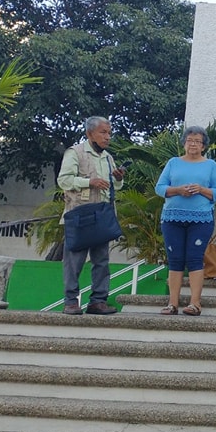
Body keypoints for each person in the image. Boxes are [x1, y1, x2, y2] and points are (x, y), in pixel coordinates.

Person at [57, 116, 126, 315]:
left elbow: (114, 186)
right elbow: (64, 180)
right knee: (74, 261)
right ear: (90, 134)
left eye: (109, 133)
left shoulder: (108, 157)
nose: (107, 137)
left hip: (102, 216)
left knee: (102, 260)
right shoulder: (75, 152)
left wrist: (118, 179)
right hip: (80, 215)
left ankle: (98, 301)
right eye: (103, 132)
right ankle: (71, 301)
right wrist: (89, 182)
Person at [154, 126, 216, 316]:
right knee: (175, 260)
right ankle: (172, 304)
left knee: (195, 258)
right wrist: (178, 190)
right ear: (184, 143)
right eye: (189, 140)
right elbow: (160, 188)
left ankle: (195, 303)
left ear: (203, 146)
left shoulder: (210, 165)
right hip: (172, 218)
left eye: (197, 141)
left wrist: (201, 189)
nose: (193, 144)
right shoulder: (173, 162)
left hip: (201, 219)